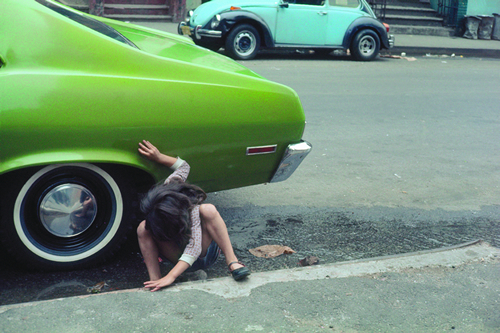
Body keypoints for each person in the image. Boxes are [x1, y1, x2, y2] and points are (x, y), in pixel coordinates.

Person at [136, 140, 250, 291]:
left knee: (208, 209)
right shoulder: (170, 186)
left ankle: (232, 261)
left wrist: (171, 276)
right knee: (143, 227)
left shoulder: (192, 210)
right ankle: (155, 280)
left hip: (202, 256)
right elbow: (184, 166)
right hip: (175, 255)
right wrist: (158, 157)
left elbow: (194, 249)